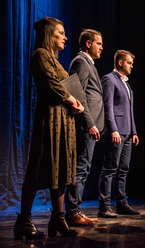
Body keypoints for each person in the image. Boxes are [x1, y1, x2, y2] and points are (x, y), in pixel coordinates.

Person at [14, 17, 84, 240]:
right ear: (48, 34)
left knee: (61, 168)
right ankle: (24, 221)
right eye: (60, 33)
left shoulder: (56, 60)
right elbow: (53, 84)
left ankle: (59, 219)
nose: (65, 37)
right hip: (49, 121)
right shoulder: (40, 55)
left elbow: (66, 84)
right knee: (38, 167)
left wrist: (77, 102)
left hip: (63, 121)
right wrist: (71, 100)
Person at [65, 29, 104, 226]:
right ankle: (73, 212)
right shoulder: (81, 62)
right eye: (99, 43)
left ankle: (74, 211)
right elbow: (77, 94)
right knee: (81, 168)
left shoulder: (88, 63)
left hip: (91, 125)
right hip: (86, 125)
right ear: (88, 43)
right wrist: (90, 124)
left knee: (84, 167)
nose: (101, 48)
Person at [98, 50, 139, 218]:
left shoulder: (126, 83)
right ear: (120, 63)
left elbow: (129, 111)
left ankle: (122, 204)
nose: (132, 66)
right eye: (129, 63)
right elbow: (107, 106)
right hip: (116, 131)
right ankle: (104, 206)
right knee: (110, 169)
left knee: (124, 169)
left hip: (127, 132)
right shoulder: (109, 79)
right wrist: (113, 129)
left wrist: (134, 132)